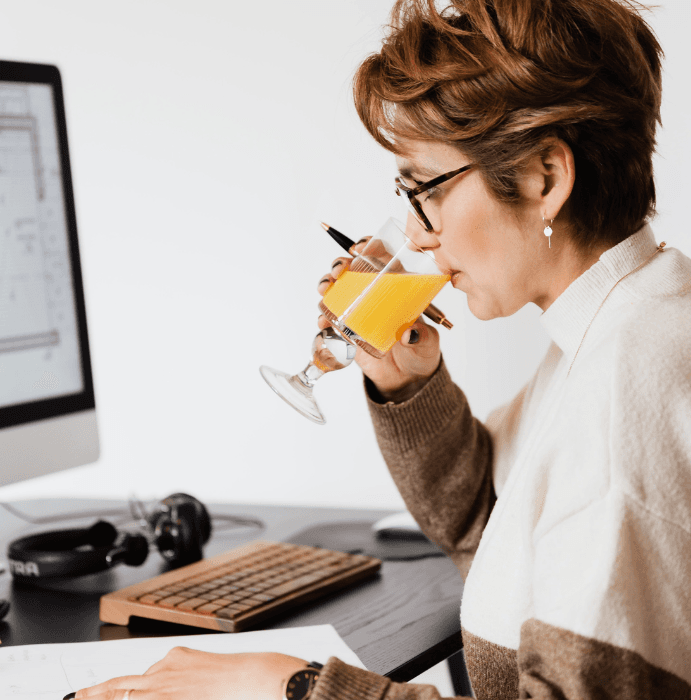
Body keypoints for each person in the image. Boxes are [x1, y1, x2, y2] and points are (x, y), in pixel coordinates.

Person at [74, 0, 691, 698]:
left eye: (422, 188)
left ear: (543, 178)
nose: (416, 233)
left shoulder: (624, 384)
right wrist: (408, 384)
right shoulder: (627, 322)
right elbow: (493, 529)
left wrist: (293, 688)